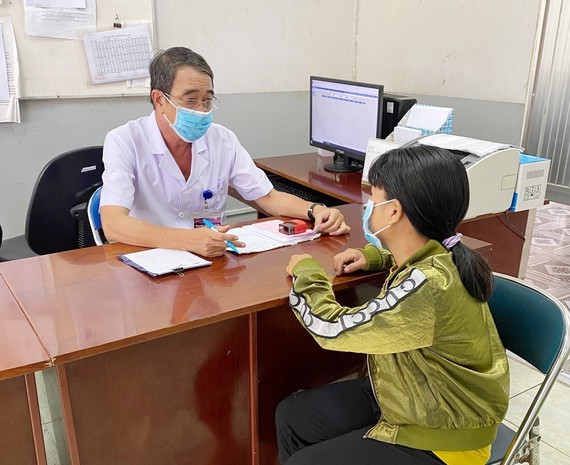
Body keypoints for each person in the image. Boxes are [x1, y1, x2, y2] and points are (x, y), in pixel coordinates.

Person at [278, 145, 509, 465]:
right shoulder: (441, 254)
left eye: (372, 197)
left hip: (442, 435)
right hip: (409, 393)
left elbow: (331, 328)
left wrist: (308, 273)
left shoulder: (428, 286)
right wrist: (373, 256)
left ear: (394, 211)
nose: (368, 206)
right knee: (295, 415)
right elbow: (413, 260)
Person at [100, 47, 350, 257]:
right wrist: (188, 240)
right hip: (148, 259)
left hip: (210, 261)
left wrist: (316, 210)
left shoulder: (222, 139)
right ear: (159, 99)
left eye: (207, 100)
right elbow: (113, 224)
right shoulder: (125, 141)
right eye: (190, 100)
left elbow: (268, 198)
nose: (201, 110)